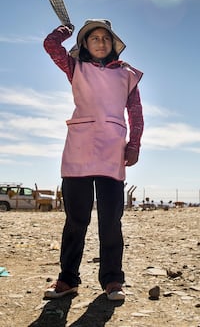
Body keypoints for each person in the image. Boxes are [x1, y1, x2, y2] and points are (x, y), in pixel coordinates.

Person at [42, 19, 144, 301]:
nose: (100, 42)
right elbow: (50, 46)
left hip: (112, 151)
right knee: (76, 219)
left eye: (105, 38)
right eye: (94, 38)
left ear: (113, 44)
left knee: (111, 220)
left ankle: (113, 280)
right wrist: (64, 30)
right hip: (79, 149)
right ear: (84, 44)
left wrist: (134, 143)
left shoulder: (127, 74)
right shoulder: (76, 68)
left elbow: (135, 112)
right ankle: (67, 280)